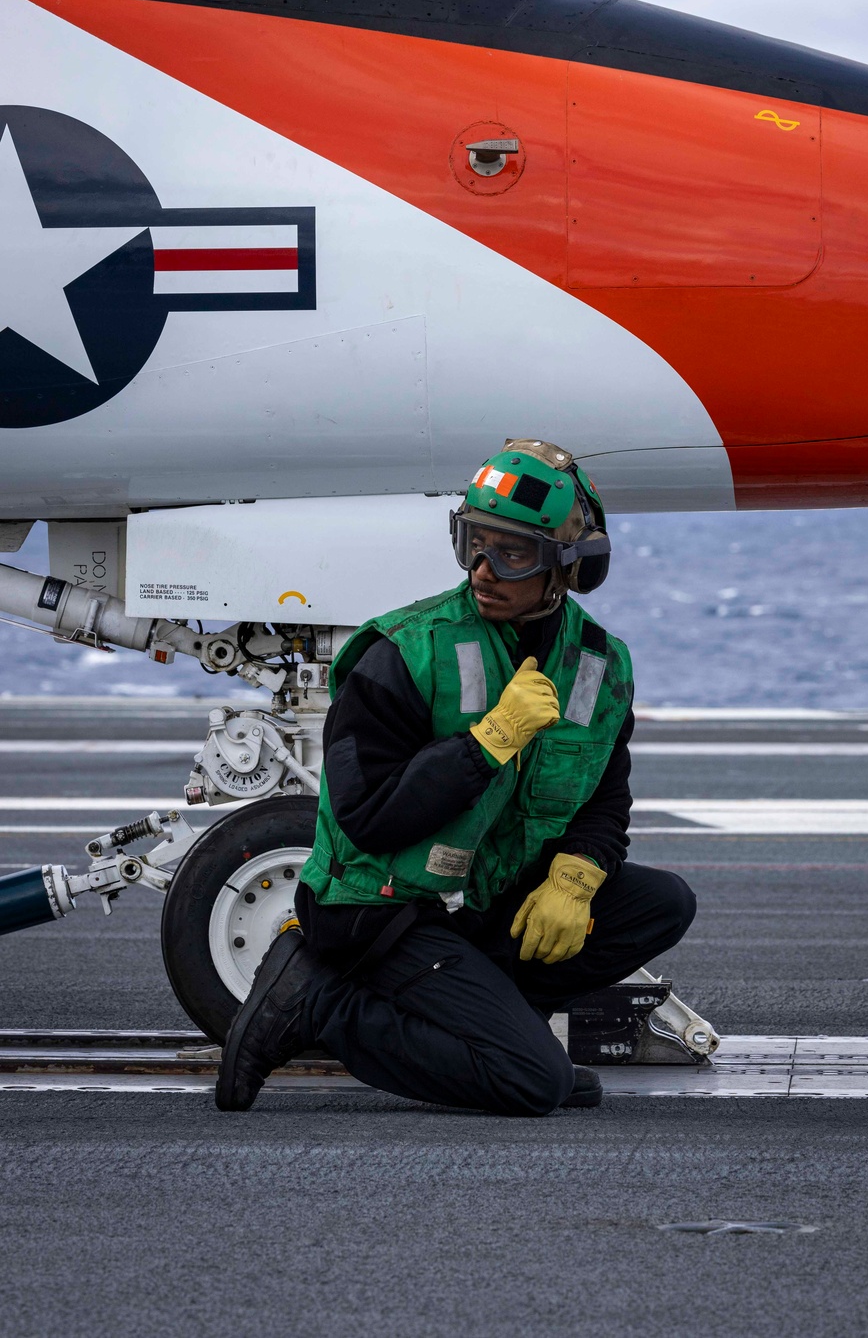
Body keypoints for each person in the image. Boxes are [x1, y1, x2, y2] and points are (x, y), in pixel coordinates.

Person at [215, 439, 696, 1116]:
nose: (484, 570)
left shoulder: (598, 665)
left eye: (513, 553)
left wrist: (576, 876)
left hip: (479, 901)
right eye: (473, 543)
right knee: (534, 1085)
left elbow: (605, 799)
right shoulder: (406, 651)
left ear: (569, 566)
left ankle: (511, 1026)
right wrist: (488, 742)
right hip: (383, 911)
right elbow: (367, 817)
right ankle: (321, 1002)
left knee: (662, 903)